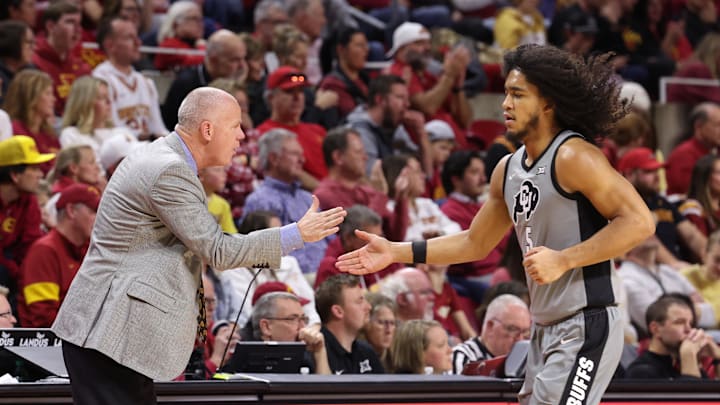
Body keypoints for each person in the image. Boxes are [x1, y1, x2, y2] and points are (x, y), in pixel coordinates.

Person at [337, 44, 655, 405]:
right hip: (543, 326)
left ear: (548, 103)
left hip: (587, 321)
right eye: (505, 93)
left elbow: (640, 222)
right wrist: (396, 251)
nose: (505, 104)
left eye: (518, 95)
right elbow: (475, 243)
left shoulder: (574, 156)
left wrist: (564, 259)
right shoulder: (508, 169)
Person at [51, 87, 346, 404]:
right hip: (110, 331)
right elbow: (217, 250)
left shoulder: (161, 157)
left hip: (111, 331)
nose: (242, 135)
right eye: (235, 126)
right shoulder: (169, 170)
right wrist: (295, 234)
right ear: (208, 129)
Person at [17, 184, 100, 327]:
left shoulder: (88, 249)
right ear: (71, 211)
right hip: (49, 345)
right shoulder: (44, 251)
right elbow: (43, 317)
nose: (99, 218)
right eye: (94, 211)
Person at [625, 294, 720, 379]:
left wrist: (718, 357)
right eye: (679, 322)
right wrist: (689, 356)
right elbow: (690, 398)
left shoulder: (679, 364)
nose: (688, 329)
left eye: (690, 323)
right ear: (656, 329)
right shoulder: (641, 372)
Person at [315, 274, 385, 374]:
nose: (368, 307)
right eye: (359, 301)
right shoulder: (314, 352)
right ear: (338, 311)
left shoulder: (366, 352)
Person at [250, 291, 330, 374]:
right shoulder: (247, 364)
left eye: (303, 319)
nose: (302, 327)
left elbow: (328, 387)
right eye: (292, 319)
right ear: (266, 327)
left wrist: (319, 352)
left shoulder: (306, 354)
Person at [452, 294, 531, 375]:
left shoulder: (526, 359)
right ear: (490, 326)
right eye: (512, 329)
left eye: (525, 332)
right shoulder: (463, 357)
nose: (520, 339)